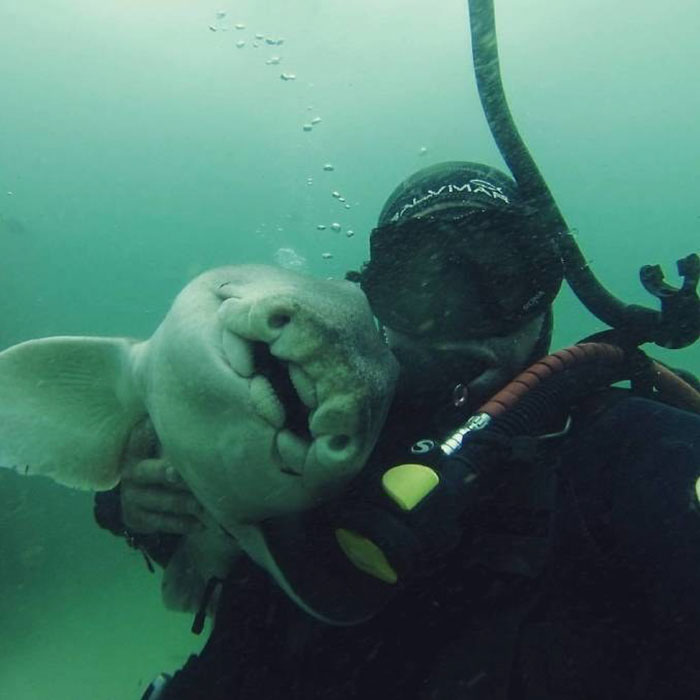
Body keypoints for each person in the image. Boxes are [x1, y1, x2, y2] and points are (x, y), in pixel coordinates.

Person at [96, 162, 700, 699]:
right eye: (426, 279)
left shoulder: (630, 450)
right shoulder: (295, 423)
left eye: (502, 273)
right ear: (376, 295)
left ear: (544, 296)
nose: (462, 314)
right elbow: (213, 550)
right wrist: (145, 502)